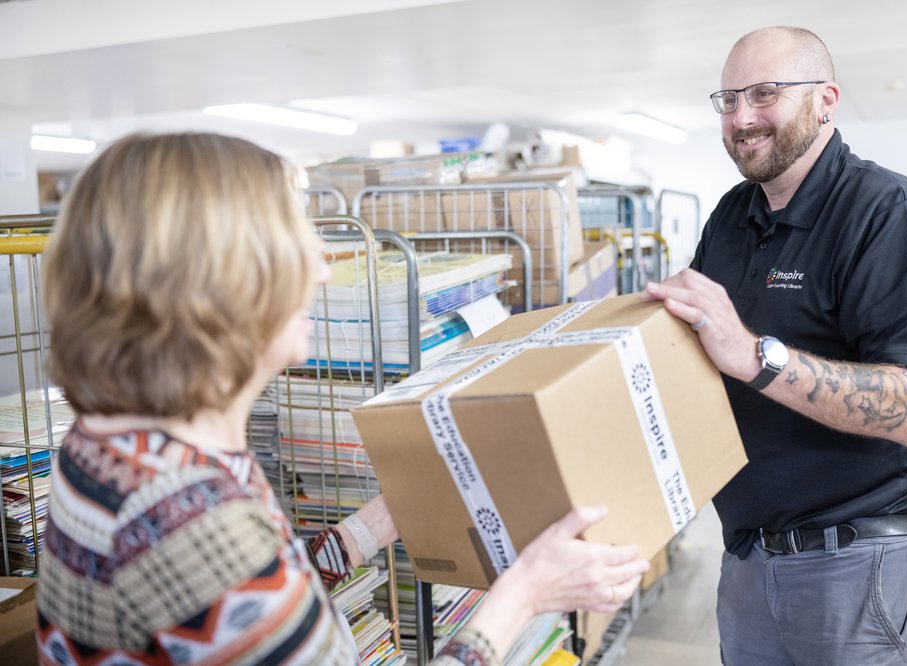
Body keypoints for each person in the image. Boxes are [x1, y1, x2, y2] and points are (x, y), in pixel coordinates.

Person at [35, 132, 649, 665]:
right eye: (293, 236)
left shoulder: (116, 448)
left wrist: (375, 523)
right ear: (217, 280)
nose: (322, 268)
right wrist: (526, 593)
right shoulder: (186, 514)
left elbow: (249, 597)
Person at [642, 26, 907, 665]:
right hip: (750, 556)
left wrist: (757, 354)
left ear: (825, 100)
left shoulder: (889, 215)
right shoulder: (733, 215)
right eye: (728, 100)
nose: (741, 118)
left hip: (864, 561)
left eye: (764, 94)